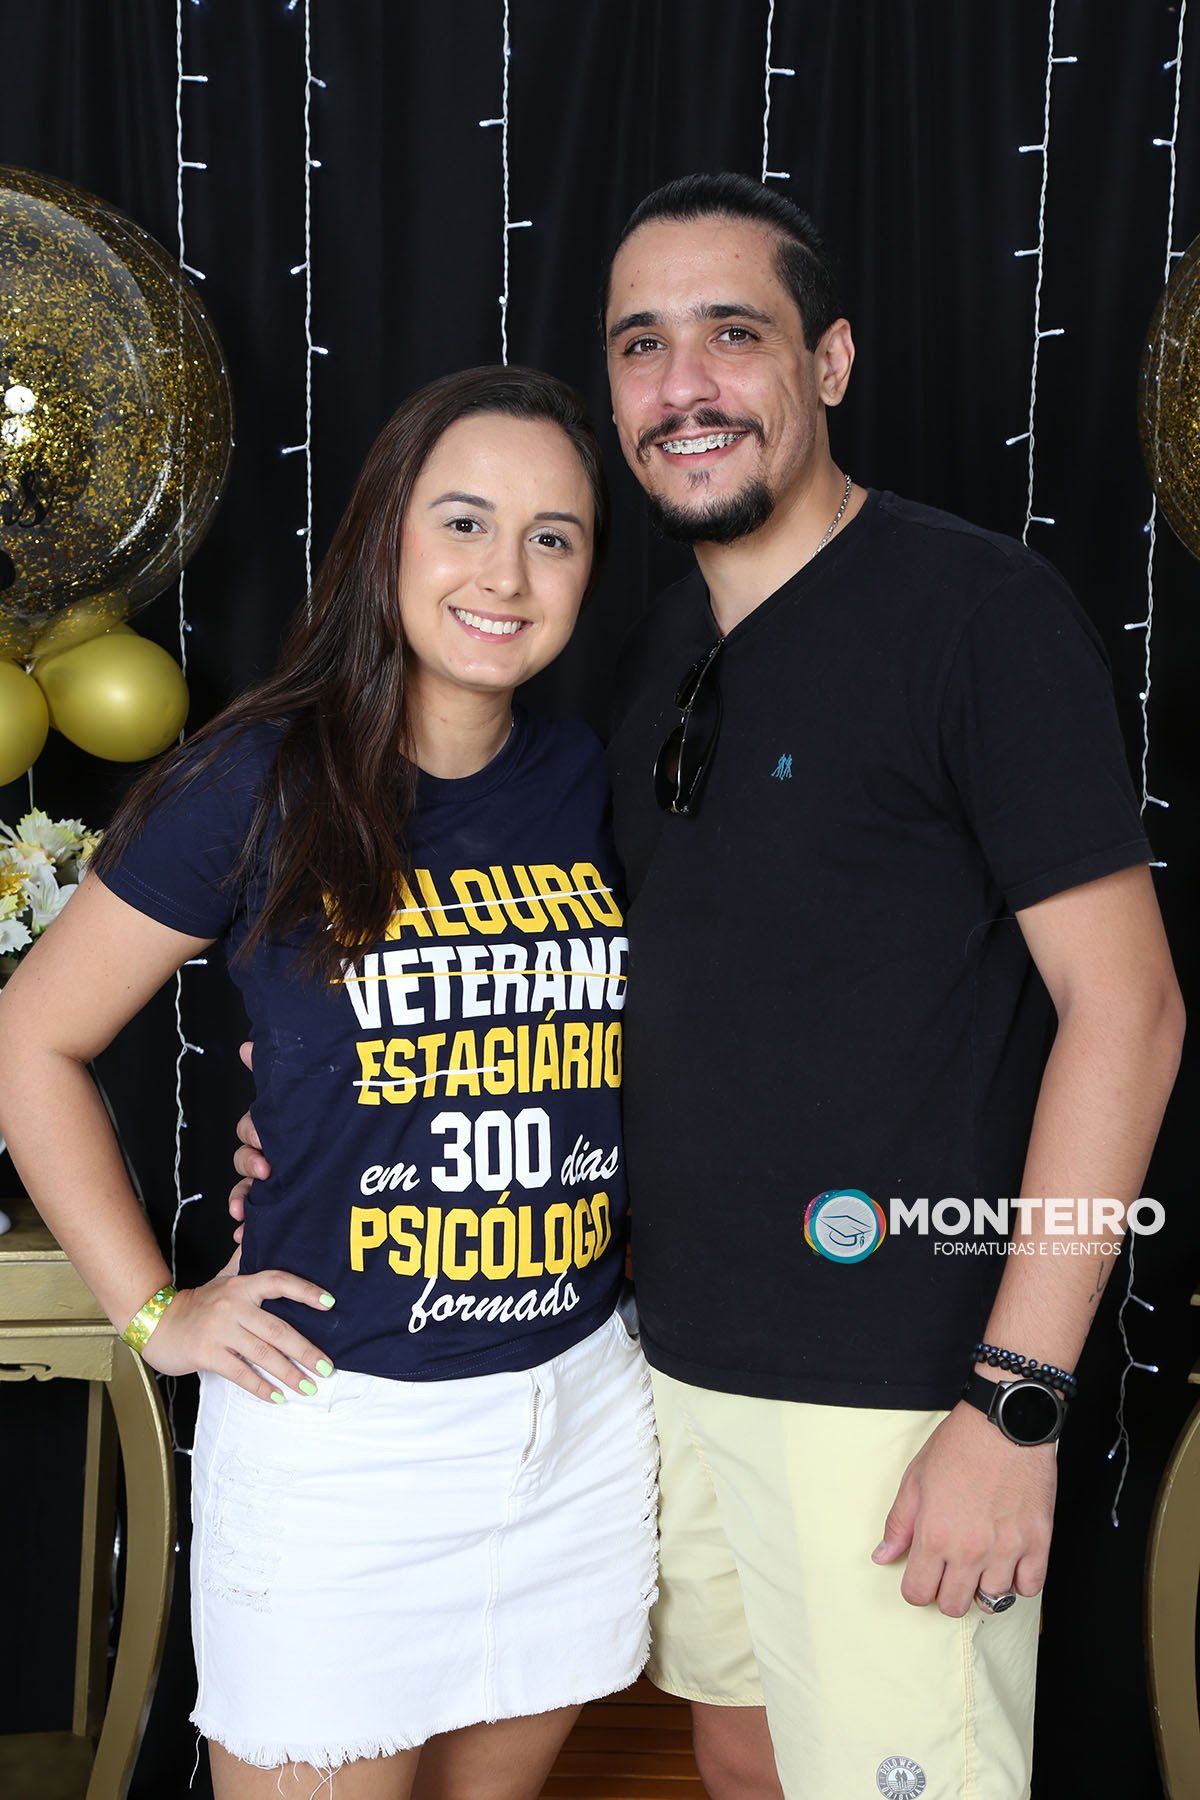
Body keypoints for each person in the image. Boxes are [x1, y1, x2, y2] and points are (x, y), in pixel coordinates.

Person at [234, 176, 1184, 1799]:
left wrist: (1015, 1401)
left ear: (830, 361)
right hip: (663, 1365)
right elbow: (582, 987)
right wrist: (334, 1121)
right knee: (740, 1767)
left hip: (900, 1388)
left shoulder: (976, 614)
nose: (683, 385)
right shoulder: (645, 652)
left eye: (732, 335)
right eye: (640, 346)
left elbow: (1133, 1012)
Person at [0, 365, 659, 1800]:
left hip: (578, 1415)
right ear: (387, 538)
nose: (506, 573)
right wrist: (155, 1311)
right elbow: (26, 1040)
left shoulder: (586, 777)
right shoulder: (256, 779)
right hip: (345, 1437)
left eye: (553, 537)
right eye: (465, 522)